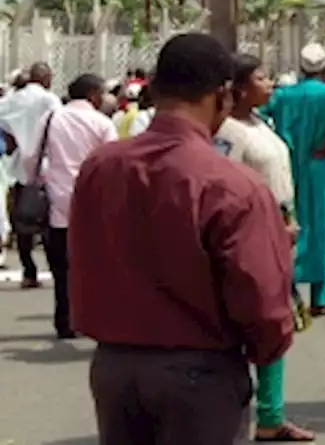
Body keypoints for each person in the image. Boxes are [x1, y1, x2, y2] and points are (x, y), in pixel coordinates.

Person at [71, 33, 294, 445]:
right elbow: (259, 296)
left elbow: (82, 259)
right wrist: (267, 347)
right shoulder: (230, 183)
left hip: (115, 367)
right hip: (198, 373)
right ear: (223, 96)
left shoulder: (100, 167)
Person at [215, 55, 313, 442]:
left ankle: (272, 414)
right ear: (238, 88)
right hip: (255, 232)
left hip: (281, 226)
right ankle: (243, 413)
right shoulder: (228, 133)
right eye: (261, 78)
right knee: (255, 320)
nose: (270, 83)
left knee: (276, 322)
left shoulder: (262, 124)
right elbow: (224, 186)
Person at [264, 43, 325, 316]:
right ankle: (321, 298)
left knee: (291, 224)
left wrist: (276, 140)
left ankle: (288, 291)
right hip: (321, 165)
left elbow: (259, 113)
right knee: (324, 226)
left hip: (288, 163)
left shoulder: (283, 96)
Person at [27, 73, 117, 338]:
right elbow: (112, 162)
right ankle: (92, 318)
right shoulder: (101, 122)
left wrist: (37, 180)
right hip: (93, 203)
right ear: (93, 95)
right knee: (94, 264)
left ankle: (64, 319)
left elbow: (32, 156)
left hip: (57, 202)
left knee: (61, 268)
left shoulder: (51, 118)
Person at [0, 62, 61, 288]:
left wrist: (12, 139)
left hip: (18, 167)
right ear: (46, 79)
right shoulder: (49, 100)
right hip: (45, 167)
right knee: (47, 221)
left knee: (23, 220)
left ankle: (29, 271)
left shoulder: (13, 99)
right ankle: (55, 269)